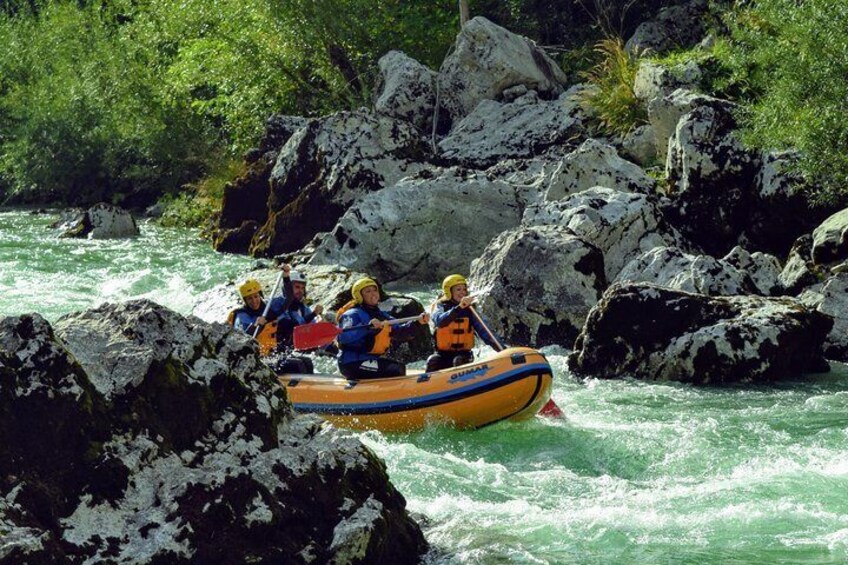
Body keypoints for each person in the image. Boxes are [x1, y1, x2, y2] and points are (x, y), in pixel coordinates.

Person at [228, 265, 323, 374]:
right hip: (257, 360)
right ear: (245, 301)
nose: (254, 301)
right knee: (298, 364)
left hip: (272, 354)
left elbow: (289, 298)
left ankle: (310, 386)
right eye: (249, 298)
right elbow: (240, 342)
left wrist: (286, 277)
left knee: (307, 361)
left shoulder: (269, 308)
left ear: (260, 295)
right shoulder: (242, 316)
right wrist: (255, 326)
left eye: (256, 296)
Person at [336, 277, 429, 379]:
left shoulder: (382, 315)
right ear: (359, 296)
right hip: (351, 362)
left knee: (399, 366)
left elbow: (400, 332)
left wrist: (418, 323)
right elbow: (343, 337)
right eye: (368, 291)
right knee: (395, 369)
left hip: (369, 359)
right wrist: (368, 328)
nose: (373, 293)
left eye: (375, 290)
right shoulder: (352, 314)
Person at [425, 274, 501, 372]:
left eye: (464, 289)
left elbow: (486, 333)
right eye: (458, 289)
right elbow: (440, 321)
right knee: (432, 361)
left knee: (458, 361)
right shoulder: (439, 306)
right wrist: (459, 307)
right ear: (449, 291)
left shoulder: (470, 309)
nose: (462, 293)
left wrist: (502, 350)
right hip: (443, 355)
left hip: (464, 355)